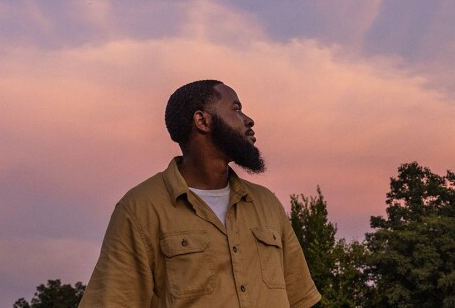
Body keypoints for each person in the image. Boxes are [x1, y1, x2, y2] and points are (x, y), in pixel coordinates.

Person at [79, 79, 322, 308]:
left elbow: (300, 299)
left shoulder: (267, 204)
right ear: (202, 121)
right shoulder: (140, 209)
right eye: (236, 109)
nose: (248, 120)